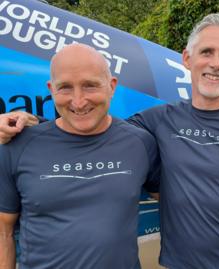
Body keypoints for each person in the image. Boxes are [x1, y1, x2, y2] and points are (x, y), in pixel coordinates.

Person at [0, 13, 219, 269]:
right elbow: (83, 122)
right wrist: (27, 121)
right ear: (187, 58)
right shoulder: (156, 120)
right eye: (207, 52)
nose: (215, 63)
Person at [0, 44, 160, 269]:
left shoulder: (141, 143)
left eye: (90, 85)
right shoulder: (17, 145)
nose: (78, 101)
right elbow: (3, 233)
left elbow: (179, 204)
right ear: (51, 89)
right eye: (65, 87)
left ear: (111, 86)